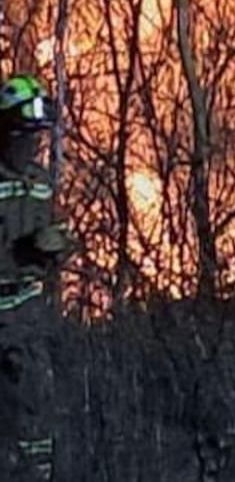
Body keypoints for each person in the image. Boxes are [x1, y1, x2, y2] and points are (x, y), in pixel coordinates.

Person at [0, 74, 71, 480]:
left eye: (36, 138)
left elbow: (54, 233)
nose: (30, 147)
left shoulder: (41, 182)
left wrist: (56, 246)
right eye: (22, 137)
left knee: (38, 413)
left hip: (29, 316)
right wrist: (21, 252)